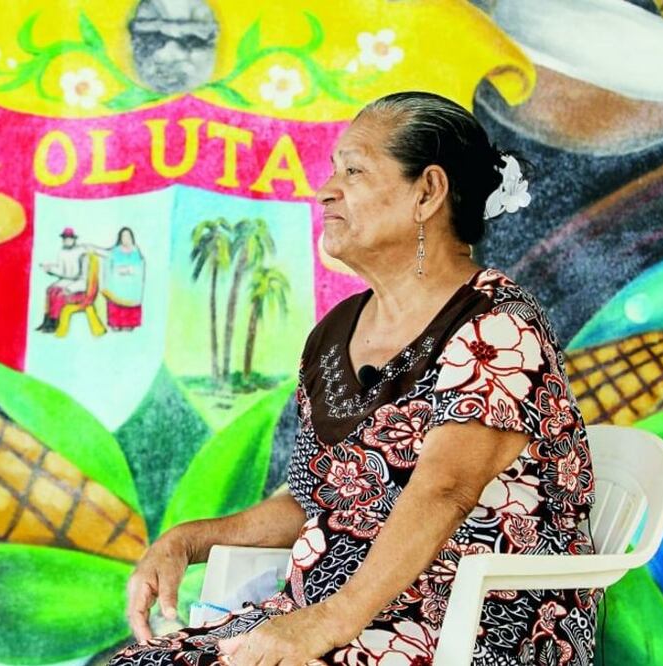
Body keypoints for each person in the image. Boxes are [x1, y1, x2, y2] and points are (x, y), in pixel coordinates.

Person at [110, 91, 599, 666]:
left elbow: (447, 490)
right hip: (332, 616)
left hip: (468, 626)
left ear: (428, 192)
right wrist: (186, 540)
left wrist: (325, 625)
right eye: (333, 170)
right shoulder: (336, 331)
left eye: (355, 170)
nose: (327, 189)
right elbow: (316, 500)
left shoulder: (499, 326)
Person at [103, 227, 146, 331]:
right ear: (120, 238)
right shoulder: (114, 251)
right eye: (123, 236)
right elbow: (108, 268)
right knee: (116, 325)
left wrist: (131, 270)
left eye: (128, 236)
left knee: (129, 326)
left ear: (131, 237)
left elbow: (141, 267)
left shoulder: (136, 251)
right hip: (117, 289)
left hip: (132, 290)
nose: (125, 239)